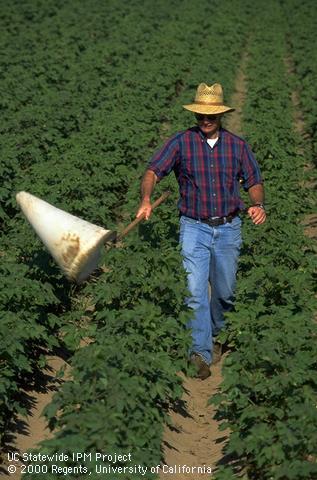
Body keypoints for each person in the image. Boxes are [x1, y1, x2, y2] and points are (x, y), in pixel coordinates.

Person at [136, 83, 266, 380]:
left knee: (225, 293)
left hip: (228, 227)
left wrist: (258, 204)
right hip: (193, 227)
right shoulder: (181, 142)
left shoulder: (237, 146)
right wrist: (146, 198)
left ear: (221, 116)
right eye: (200, 116)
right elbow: (153, 170)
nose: (205, 121)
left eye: (211, 117)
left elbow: (253, 180)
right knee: (194, 292)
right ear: (194, 115)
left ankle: (218, 336)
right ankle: (199, 352)